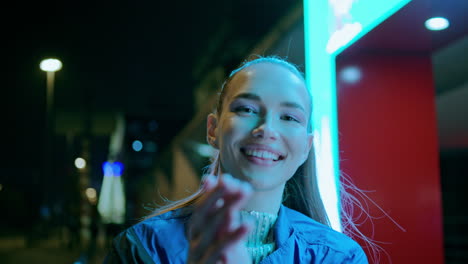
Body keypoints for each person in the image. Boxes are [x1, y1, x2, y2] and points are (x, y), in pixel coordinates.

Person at [104, 56, 369, 263]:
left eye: (289, 117)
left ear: (306, 147)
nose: (266, 128)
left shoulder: (337, 256)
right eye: (247, 109)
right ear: (213, 129)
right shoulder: (143, 247)